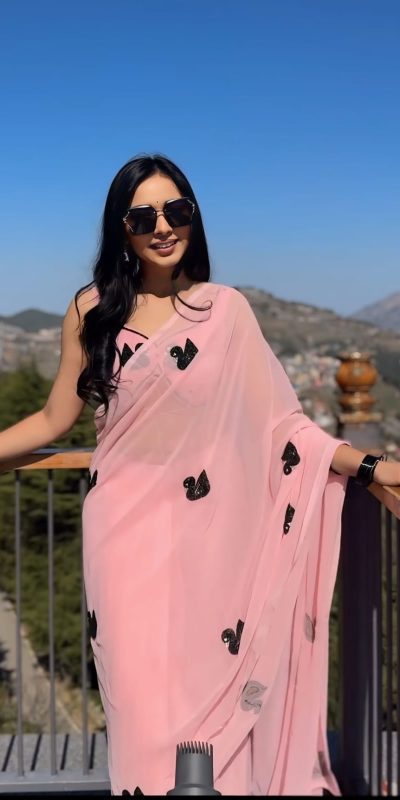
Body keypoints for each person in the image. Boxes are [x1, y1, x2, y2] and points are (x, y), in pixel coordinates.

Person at [1, 153, 399, 796]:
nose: (163, 227)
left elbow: (282, 427)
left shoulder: (225, 311)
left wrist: (370, 463)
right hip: (123, 544)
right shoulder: (92, 309)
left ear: (194, 217)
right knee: (140, 714)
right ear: (121, 228)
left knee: (211, 712)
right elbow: (53, 419)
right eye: (142, 217)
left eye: (176, 210)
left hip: (211, 550)